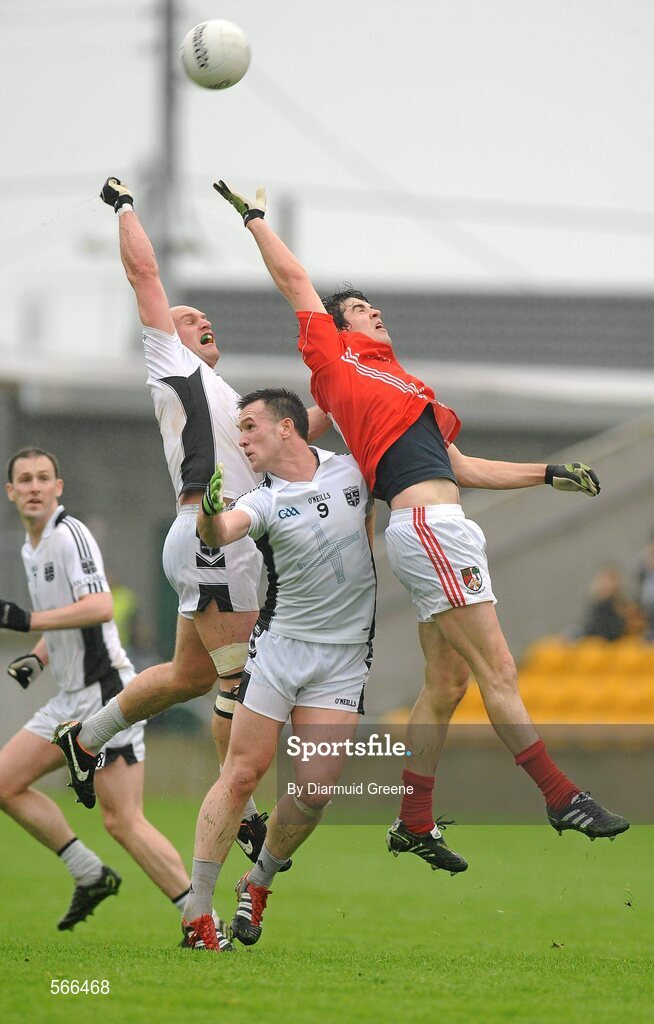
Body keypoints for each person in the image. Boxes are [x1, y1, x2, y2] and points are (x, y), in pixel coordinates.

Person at [213, 180, 629, 870]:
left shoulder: (410, 385)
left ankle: (412, 819)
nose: (370, 311)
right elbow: (294, 279)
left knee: (447, 687)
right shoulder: (337, 364)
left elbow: (459, 465)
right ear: (337, 328)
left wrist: (547, 473)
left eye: (372, 305)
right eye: (355, 308)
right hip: (430, 530)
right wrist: (255, 219)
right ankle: (560, 797)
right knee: (498, 669)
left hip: (440, 526)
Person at [53, 178, 329, 869]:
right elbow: (144, 272)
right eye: (187, 316)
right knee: (240, 678)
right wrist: (123, 206)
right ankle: (247, 816)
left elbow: (290, 438)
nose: (202, 319)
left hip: (218, 544)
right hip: (211, 541)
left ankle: (85, 739)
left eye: (206, 316)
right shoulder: (169, 362)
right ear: (163, 337)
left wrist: (342, 387)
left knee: (189, 676)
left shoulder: (230, 397)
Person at [0, 447, 233, 945]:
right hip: (67, 697)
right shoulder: (31, 547)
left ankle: (202, 921)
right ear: (12, 492)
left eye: (45, 477)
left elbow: (100, 606)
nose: (36, 487)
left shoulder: (69, 535)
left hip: (103, 693)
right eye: (26, 480)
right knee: (4, 783)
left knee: (123, 820)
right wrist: (39, 656)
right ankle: (89, 873)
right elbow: (68, 614)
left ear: (58, 487)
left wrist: (28, 621)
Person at [179, 388, 376, 950]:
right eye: (238, 430)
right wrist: (209, 516)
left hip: (343, 659)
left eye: (249, 427)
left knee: (314, 790)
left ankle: (257, 880)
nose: (241, 440)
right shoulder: (261, 499)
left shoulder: (353, 471)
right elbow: (223, 531)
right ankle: (197, 913)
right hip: (280, 650)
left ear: (288, 427)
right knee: (242, 775)